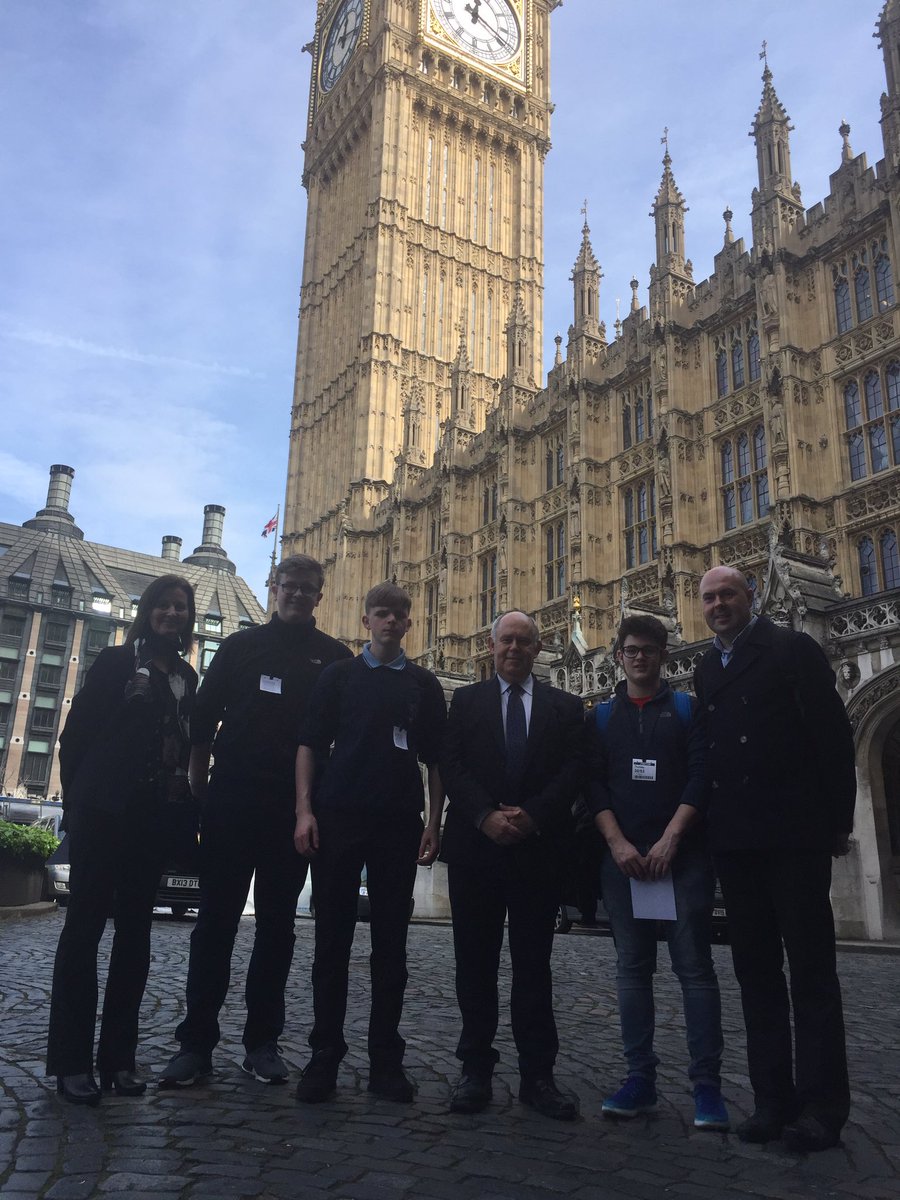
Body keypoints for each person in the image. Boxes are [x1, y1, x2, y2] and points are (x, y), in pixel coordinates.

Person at [159, 554, 351, 1087]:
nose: (295, 595)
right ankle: (195, 1042)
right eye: (288, 586)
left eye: (306, 588)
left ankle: (261, 1043)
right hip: (233, 804)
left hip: (292, 813)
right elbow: (202, 722)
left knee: (277, 930)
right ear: (274, 588)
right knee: (215, 924)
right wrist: (201, 790)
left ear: (319, 594)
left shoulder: (333, 660)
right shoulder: (240, 648)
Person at [694, 566, 856, 1152]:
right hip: (737, 843)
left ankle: (821, 1109)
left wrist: (837, 824)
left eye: (727, 595)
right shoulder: (707, 666)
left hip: (792, 837)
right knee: (756, 976)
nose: (718, 605)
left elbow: (835, 740)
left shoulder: (792, 649)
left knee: (812, 975)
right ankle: (771, 1100)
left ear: (751, 597)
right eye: (709, 597)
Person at [47, 575, 199, 1105]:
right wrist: (79, 805)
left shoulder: (186, 677)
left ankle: (118, 1059)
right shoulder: (116, 664)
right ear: (148, 611)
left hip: (151, 821)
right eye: (164, 605)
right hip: (104, 816)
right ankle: (70, 1062)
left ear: (188, 617)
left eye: (181, 607)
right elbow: (73, 739)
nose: (172, 614)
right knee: (83, 932)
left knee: (135, 939)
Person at [293, 582, 447, 1104]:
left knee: (391, 948)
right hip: (338, 819)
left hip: (398, 824)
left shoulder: (423, 686)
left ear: (408, 623)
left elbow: (436, 760)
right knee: (330, 944)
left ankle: (386, 1058)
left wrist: (434, 822)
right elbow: (309, 745)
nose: (390, 622)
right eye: (382, 614)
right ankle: (324, 1054)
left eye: (399, 615)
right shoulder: (337, 677)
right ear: (367, 621)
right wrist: (304, 811)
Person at [585, 615, 728, 1130]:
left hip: (682, 860)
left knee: (694, 970)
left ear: (663, 655)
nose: (638, 657)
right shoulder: (600, 718)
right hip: (622, 862)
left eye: (647, 649)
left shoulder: (687, 709)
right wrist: (618, 843)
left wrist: (672, 838)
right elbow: (593, 785)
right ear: (618, 656)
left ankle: (706, 1086)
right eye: (630, 650)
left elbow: (701, 776)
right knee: (632, 970)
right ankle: (639, 1077)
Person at [440, 610, 584, 1121]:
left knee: (533, 968)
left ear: (537, 647)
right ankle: (474, 1069)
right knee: (474, 966)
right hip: (476, 850)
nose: (514, 649)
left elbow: (574, 771)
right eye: (506, 641)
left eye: (524, 642)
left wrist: (533, 816)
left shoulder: (566, 707)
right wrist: (483, 816)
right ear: (490, 644)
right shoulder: (466, 700)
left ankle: (537, 1076)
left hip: (536, 850)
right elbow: (450, 766)